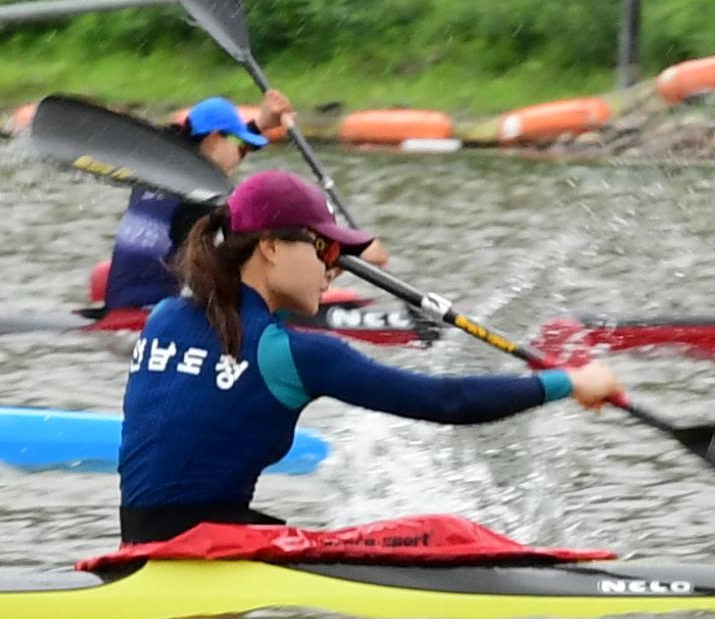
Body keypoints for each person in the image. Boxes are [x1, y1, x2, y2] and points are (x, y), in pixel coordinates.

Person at [113, 168, 625, 542]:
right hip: (205, 552)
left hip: (142, 543)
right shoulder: (301, 356)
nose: (335, 267)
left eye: (341, 255)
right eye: (325, 250)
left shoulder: (165, 317)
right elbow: (445, 401)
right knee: (445, 536)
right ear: (269, 247)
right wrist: (568, 383)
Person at [102, 91, 295, 313]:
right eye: (240, 144)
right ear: (213, 138)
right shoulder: (202, 194)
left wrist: (260, 123)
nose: (241, 153)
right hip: (152, 314)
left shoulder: (159, 164)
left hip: (120, 301)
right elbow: (210, 269)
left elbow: (222, 148)